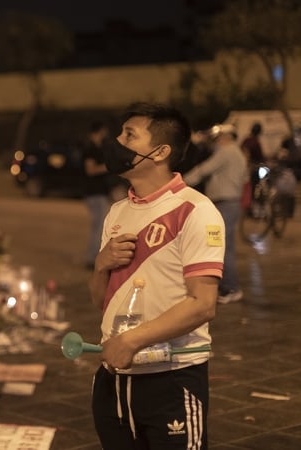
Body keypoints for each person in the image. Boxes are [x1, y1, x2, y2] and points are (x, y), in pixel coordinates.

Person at [89, 102, 223, 450]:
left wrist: (132, 341)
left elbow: (203, 304)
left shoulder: (197, 211)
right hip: (115, 380)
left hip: (172, 378)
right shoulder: (118, 211)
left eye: (129, 135)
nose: (116, 141)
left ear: (160, 151)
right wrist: (101, 264)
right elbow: (100, 302)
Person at [183, 124, 248, 304]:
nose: (215, 142)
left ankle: (231, 288)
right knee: (226, 246)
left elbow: (204, 169)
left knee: (222, 247)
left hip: (225, 203)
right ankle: (229, 287)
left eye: (217, 138)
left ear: (224, 137)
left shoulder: (226, 152)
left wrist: (179, 182)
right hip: (232, 202)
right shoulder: (238, 153)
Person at [82, 121, 122, 269]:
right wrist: (107, 167)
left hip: (99, 192)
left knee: (99, 225)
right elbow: (90, 170)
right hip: (94, 193)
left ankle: (93, 257)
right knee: (99, 226)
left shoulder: (98, 148)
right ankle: (92, 258)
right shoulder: (90, 149)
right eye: (103, 132)